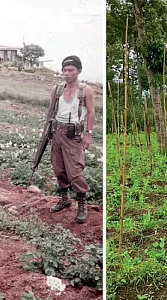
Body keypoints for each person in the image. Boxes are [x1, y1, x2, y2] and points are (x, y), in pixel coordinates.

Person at [47, 55, 95, 224]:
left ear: (78, 71)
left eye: (71, 70)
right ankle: (65, 198)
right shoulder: (57, 90)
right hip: (57, 132)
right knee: (58, 169)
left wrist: (88, 134)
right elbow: (51, 110)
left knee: (75, 171)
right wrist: (47, 131)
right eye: (64, 70)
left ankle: (82, 202)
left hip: (73, 134)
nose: (67, 73)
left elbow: (90, 112)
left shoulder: (85, 90)